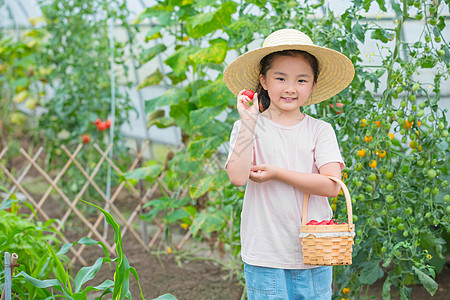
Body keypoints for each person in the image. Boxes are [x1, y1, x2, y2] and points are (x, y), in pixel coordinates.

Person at [223, 29, 354, 299]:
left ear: (313, 85)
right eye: (280, 78)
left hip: (315, 252)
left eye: (301, 80)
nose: (291, 88)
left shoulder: (320, 130)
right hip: (265, 253)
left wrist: (278, 173)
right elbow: (237, 177)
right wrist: (249, 121)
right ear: (264, 81)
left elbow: (332, 186)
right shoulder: (248, 126)